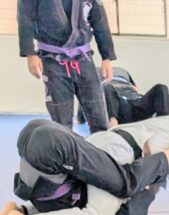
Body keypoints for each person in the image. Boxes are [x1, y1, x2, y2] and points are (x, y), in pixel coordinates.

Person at [0, 118, 169, 215]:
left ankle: (19, 211)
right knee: (123, 187)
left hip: (42, 151)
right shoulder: (118, 183)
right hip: (46, 152)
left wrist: (25, 211)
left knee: (122, 187)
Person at [18, 0, 116, 133]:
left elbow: (99, 21)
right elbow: (25, 17)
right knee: (61, 120)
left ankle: (101, 145)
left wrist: (107, 57)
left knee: (98, 114)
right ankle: (65, 145)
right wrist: (30, 53)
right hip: (52, 58)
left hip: (84, 58)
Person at [77, 66, 169, 127]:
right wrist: (80, 119)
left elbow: (136, 88)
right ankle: (113, 125)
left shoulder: (123, 71)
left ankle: (163, 123)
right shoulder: (95, 73)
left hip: (137, 103)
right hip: (119, 108)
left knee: (161, 88)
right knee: (107, 87)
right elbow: (85, 96)